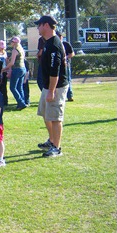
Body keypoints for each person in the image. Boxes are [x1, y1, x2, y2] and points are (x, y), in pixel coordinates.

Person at [35, 15, 69, 157]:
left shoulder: (54, 44)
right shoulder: (47, 42)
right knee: (45, 114)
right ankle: (51, 140)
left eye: (39, 25)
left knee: (55, 117)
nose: (37, 27)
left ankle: (56, 147)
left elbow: (55, 70)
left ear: (46, 25)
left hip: (56, 86)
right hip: (48, 86)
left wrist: (52, 91)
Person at [3, 36, 27, 110]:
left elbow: (12, 63)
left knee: (12, 87)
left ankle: (21, 103)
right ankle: (22, 102)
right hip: (23, 69)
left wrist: (4, 68)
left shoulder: (14, 50)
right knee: (19, 87)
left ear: (14, 42)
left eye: (12, 42)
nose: (11, 43)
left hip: (17, 69)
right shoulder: (21, 49)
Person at [57, 31, 75, 101]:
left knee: (68, 80)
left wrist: (66, 57)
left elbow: (72, 53)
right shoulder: (55, 44)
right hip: (57, 65)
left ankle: (69, 95)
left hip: (66, 65)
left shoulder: (66, 44)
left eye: (60, 37)